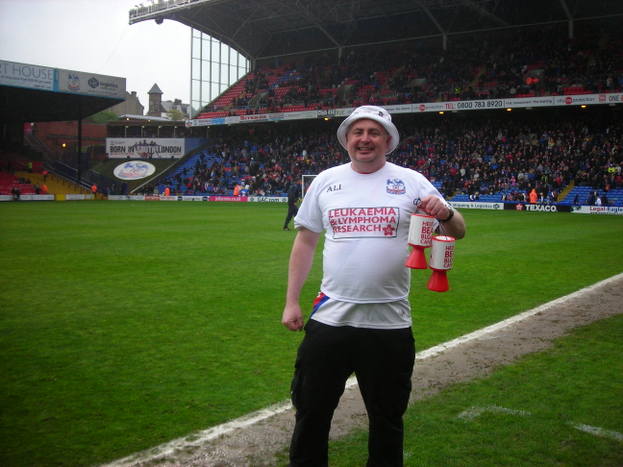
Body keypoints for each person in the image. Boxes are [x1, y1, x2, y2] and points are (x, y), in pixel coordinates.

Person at [281, 105, 466, 466]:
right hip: (330, 321)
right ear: (347, 139)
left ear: (387, 140)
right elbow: (304, 242)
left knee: (387, 420)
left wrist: (444, 211)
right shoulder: (325, 180)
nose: (365, 139)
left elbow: (457, 230)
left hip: (389, 324)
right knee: (311, 414)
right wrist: (291, 301)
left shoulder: (412, 181)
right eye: (358, 132)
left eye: (374, 132)